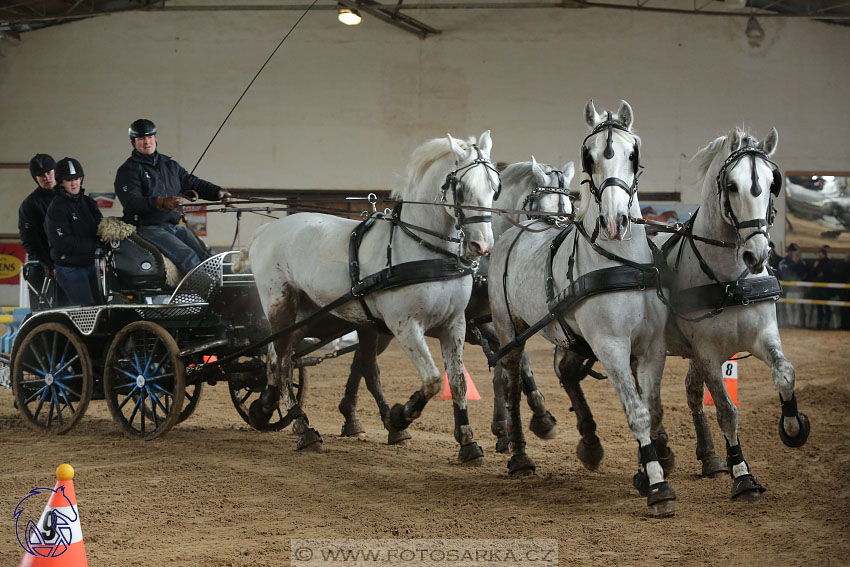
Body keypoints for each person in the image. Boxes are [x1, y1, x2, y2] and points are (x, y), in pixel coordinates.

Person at [114, 118, 230, 276]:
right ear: (133, 143)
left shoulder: (170, 166)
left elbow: (193, 183)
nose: (147, 142)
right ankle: (207, 296)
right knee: (187, 257)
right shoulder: (128, 171)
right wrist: (160, 202)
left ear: (155, 138)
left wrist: (218, 193)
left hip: (173, 225)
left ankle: (229, 290)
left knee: (208, 255)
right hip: (147, 228)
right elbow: (131, 202)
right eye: (141, 139)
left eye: (149, 137)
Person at [44, 157, 104, 306]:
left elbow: (101, 229)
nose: (74, 183)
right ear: (60, 182)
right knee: (85, 311)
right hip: (70, 269)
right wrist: (95, 244)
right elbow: (63, 242)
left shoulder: (89, 203)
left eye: (76, 178)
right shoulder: (56, 208)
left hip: (92, 265)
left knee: (101, 307)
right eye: (69, 179)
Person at [18, 153, 60, 309]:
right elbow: (31, 241)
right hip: (44, 267)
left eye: (49, 172)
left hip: (69, 266)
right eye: (41, 175)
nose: (47, 178)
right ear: (35, 178)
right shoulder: (30, 205)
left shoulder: (70, 197)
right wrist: (49, 267)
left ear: (55, 171)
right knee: (44, 314)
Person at [779, 243, 807, 327]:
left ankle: (796, 323)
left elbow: (804, 274)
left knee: (797, 307)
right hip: (789, 288)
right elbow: (784, 274)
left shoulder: (802, 263)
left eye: (794, 251)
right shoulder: (784, 262)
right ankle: (791, 323)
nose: (792, 253)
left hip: (799, 288)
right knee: (788, 307)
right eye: (791, 251)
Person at [810, 247, 833, 329]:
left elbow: (827, 274)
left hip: (825, 287)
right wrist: (815, 268)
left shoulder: (828, 262)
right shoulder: (818, 262)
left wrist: (818, 271)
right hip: (818, 286)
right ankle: (820, 322)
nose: (819, 255)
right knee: (819, 305)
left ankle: (826, 322)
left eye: (820, 254)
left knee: (826, 305)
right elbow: (813, 273)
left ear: (823, 254)